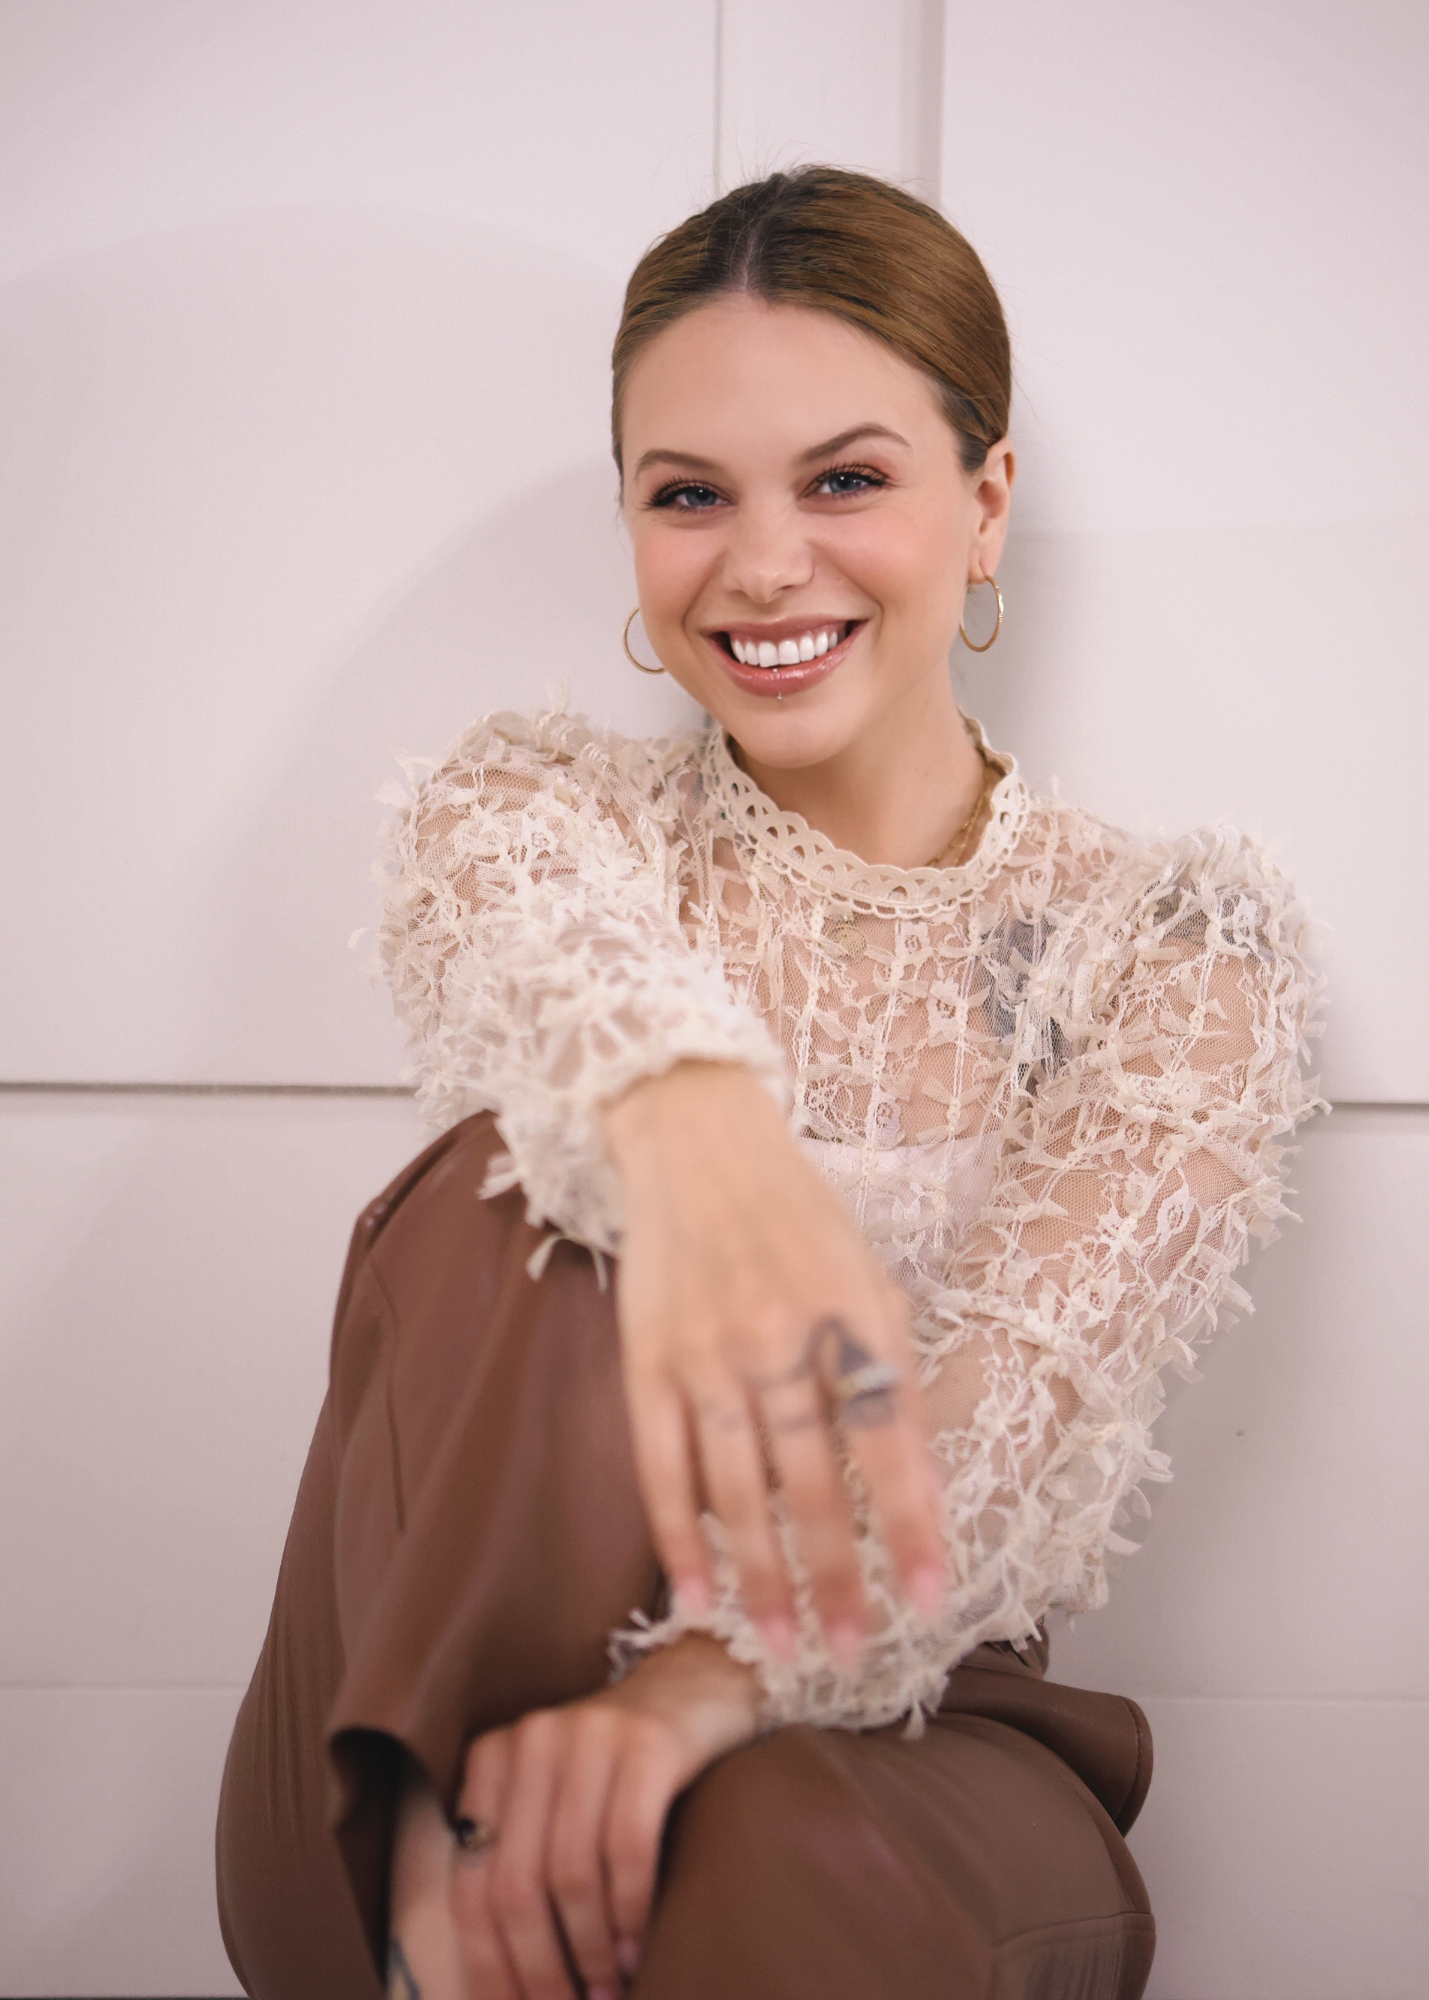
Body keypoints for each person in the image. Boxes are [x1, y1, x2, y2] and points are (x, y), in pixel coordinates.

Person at [216, 167, 1320, 2000]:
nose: (763, 563)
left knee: (760, 1846)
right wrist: (698, 1132)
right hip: (397, 1732)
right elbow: (545, 950)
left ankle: (502, 1902)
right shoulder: (535, 812)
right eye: (690, 496)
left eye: (847, 480)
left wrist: (681, 1699)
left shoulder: (1174, 946)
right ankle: (451, 1886)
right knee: (506, 1182)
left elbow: (998, 1443)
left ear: (986, 504)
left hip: (918, 1743)